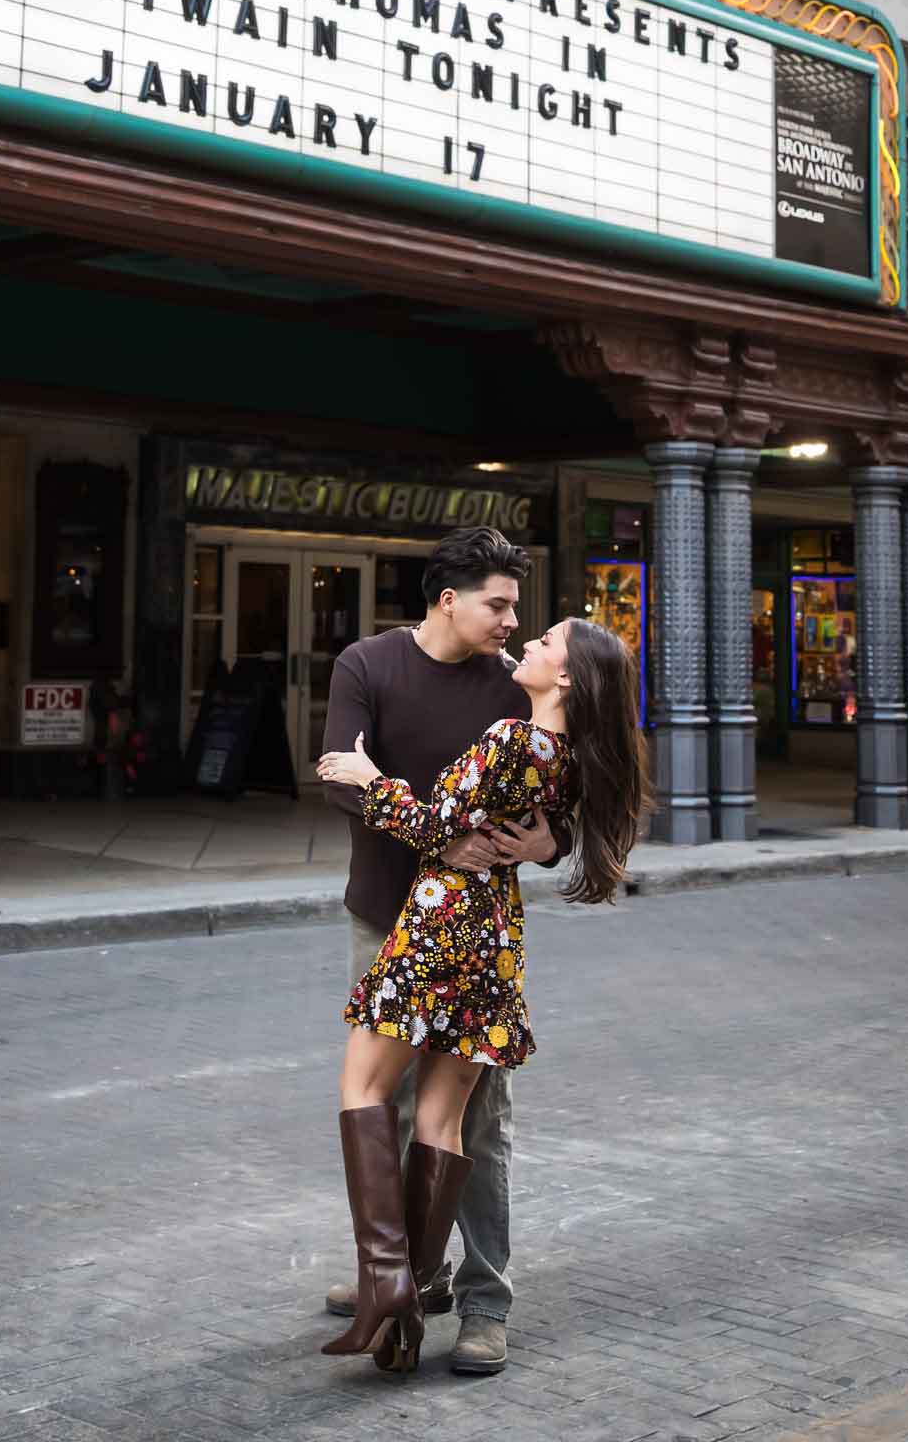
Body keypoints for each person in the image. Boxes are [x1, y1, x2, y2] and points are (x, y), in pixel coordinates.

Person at [318, 615, 647, 1376]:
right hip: (492, 945)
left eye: (544, 640)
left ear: (566, 677)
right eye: (509, 614)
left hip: (438, 930)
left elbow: (436, 825)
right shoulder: (565, 755)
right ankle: (402, 1302)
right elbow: (528, 823)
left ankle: (394, 1289)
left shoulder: (509, 738)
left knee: (363, 1091)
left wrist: (370, 782)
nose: (523, 636)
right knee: (441, 1120)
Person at [317, 526, 566, 1377]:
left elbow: (552, 805)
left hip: (464, 930)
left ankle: (485, 1301)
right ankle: (399, 1278)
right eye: (499, 604)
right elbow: (336, 771)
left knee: (477, 1121)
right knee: (383, 1109)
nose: (511, 621)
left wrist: (542, 846)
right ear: (448, 598)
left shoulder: (513, 693)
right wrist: (437, 833)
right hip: (383, 915)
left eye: (516, 607)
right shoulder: (367, 664)